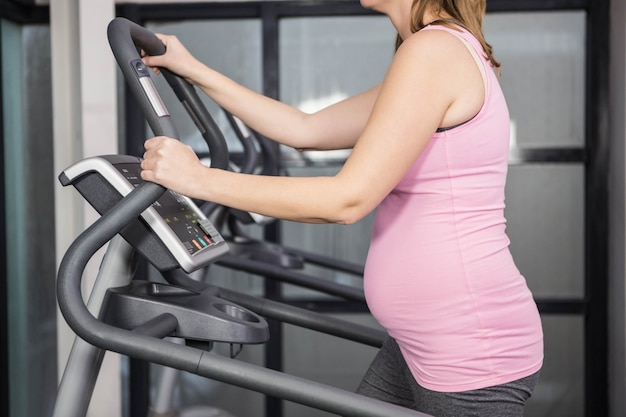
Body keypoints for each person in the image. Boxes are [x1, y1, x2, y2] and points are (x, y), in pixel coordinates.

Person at [140, 0, 544, 416]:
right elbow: (304, 129)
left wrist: (199, 179)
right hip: (421, 346)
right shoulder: (437, 50)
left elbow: (347, 200)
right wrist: (191, 67)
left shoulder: (435, 51)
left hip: (470, 353)